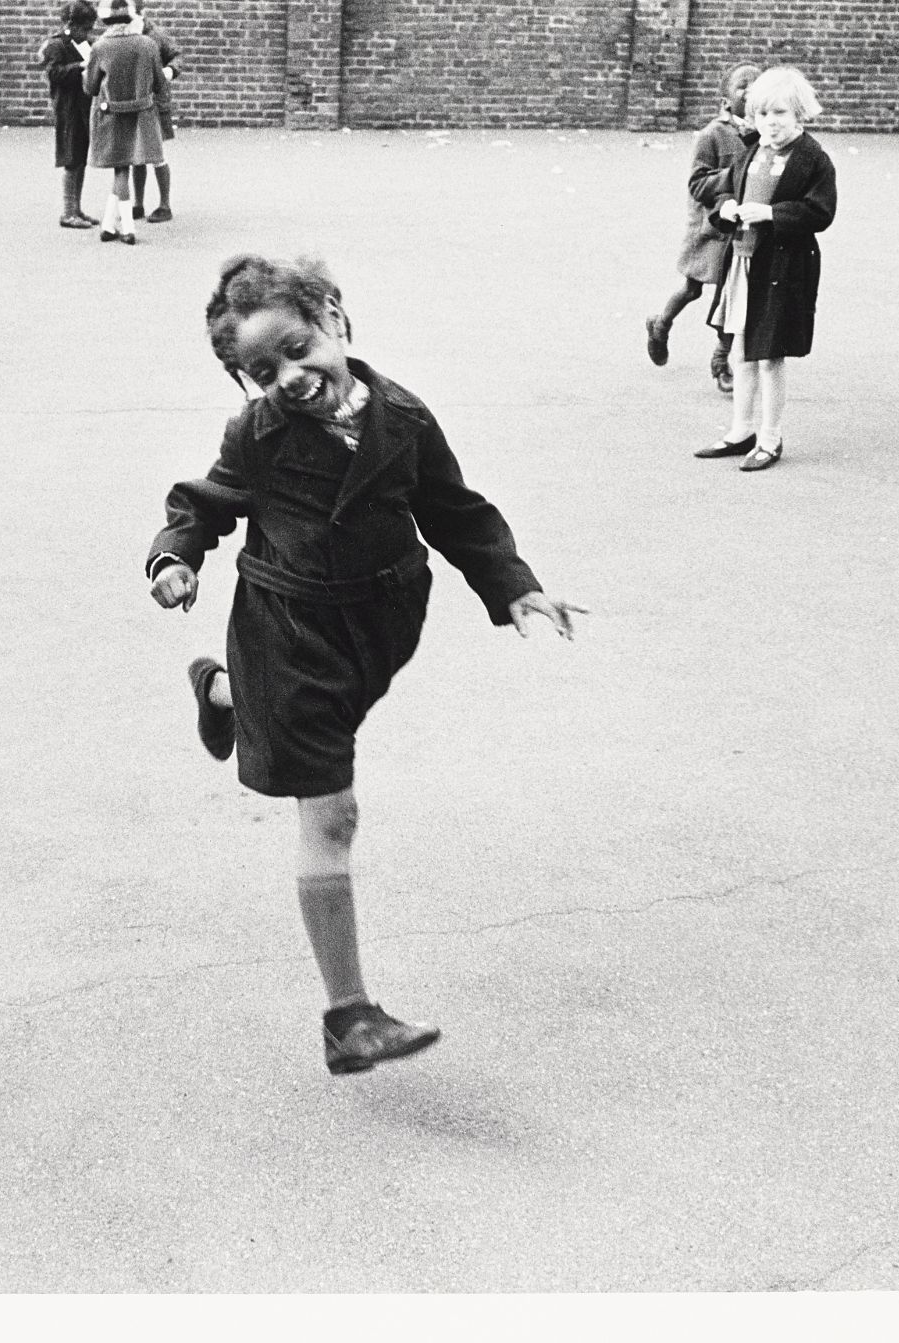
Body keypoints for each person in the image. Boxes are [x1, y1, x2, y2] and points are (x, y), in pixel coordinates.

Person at [147, 255, 584, 1075]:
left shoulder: (405, 418)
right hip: (288, 627)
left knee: (293, 721)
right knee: (332, 813)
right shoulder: (259, 436)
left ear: (336, 318)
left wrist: (516, 587)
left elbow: (457, 512)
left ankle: (222, 691)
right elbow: (204, 503)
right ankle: (348, 1016)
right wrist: (175, 558)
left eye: (299, 347)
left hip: (379, 622)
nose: (290, 376)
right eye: (263, 371)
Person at [693, 66, 836, 472]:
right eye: (762, 115)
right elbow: (727, 193)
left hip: (782, 269)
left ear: (800, 115)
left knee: (771, 355)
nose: (770, 124)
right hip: (743, 261)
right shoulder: (751, 152)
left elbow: (820, 211)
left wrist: (772, 214)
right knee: (741, 348)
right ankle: (741, 430)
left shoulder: (813, 159)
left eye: (780, 115)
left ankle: (770, 438)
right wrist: (726, 209)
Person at [646, 61, 759, 393]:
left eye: (757, 84)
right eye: (742, 85)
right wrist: (736, 175)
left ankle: (721, 360)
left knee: (734, 296)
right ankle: (660, 325)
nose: (751, 89)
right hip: (710, 231)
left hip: (743, 231)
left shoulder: (766, 133)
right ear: (725, 102)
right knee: (693, 289)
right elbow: (697, 183)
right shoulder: (712, 134)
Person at [83, 0, 167, 244]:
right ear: (132, 18)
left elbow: (90, 88)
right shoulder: (148, 44)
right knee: (124, 167)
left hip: (110, 116)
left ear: (105, 20)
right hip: (141, 115)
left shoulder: (99, 47)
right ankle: (109, 226)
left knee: (120, 169)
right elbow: (160, 85)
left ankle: (128, 228)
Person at [34, 1, 100, 229]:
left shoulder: (85, 43)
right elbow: (54, 74)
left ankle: (76, 208)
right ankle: (68, 212)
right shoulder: (56, 45)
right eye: (85, 27)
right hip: (68, 108)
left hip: (84, 106)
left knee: (80, 158)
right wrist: (82, 66)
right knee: (71, 159)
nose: (88, 32)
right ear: (71, 24)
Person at [127, 1, 180, 223]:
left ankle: (164, 205)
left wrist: (171, 70)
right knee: (136, 155)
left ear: (141, 13)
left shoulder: (157, 35)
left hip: (154, 101)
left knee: (157, 154)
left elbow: (177, 56)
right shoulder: (122, 33)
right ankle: (138, 204)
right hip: (131, 100)